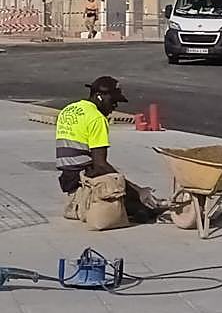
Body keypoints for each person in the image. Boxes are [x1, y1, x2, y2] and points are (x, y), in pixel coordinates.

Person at [54, 77, 159, 226]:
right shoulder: (96, 118)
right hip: (84, 178)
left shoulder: (69, 109)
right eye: (113, 101)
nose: (115, 107)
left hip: (68, 178)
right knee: (136, 204)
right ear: (100, 96)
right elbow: (100, 166)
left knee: (125, 187)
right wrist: (136, 191)